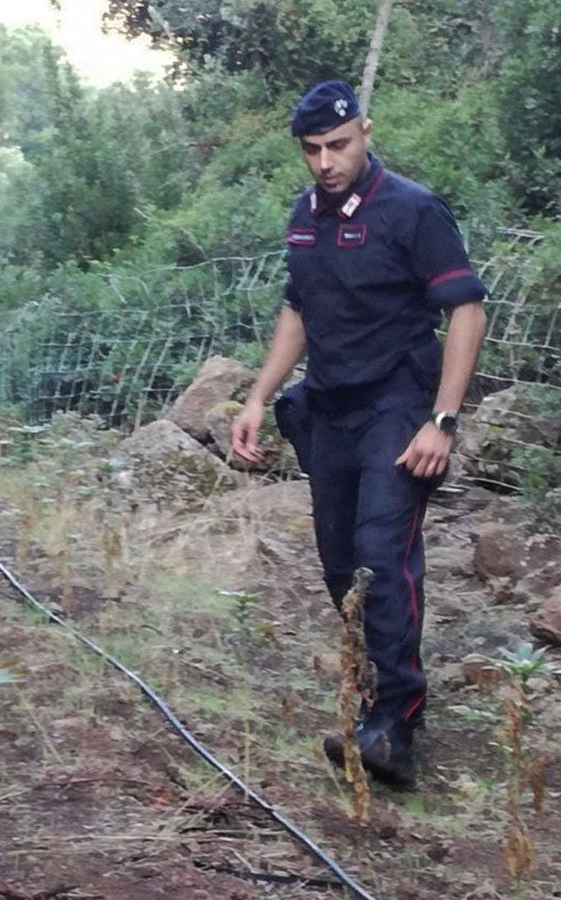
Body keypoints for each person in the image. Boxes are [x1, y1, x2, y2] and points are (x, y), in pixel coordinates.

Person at [232, 80, 487, 788]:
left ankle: (396, 727)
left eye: (338, 145)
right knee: (341, 566)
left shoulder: (413, 210)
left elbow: (465, 312)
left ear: (365, 132)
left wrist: (443, 418)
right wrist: (257, 397)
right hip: (331, 407)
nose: (325, 161)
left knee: (380, 555)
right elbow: (298, 313)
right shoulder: (304, 218)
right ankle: (382, 698)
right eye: (312, 150)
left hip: (399, 404)